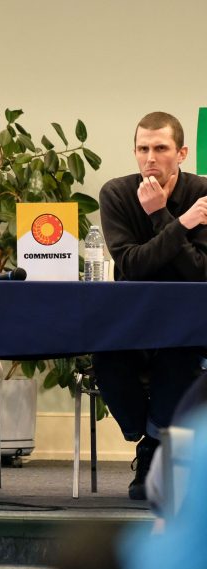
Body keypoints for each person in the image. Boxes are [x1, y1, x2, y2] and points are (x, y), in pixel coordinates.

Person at [94, 112, 207, 501]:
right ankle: (145, 436)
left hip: (188, 324)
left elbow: (199, 272)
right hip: (133, 320)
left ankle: (153, 450)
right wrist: (180, 225)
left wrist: (160, 215)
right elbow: (133, 265)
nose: (150, 158)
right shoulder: (116, 193)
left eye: (161, 148)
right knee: (107, 359)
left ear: (182, 153)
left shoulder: (202, 194)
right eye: (143, 149)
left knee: (178, 359)